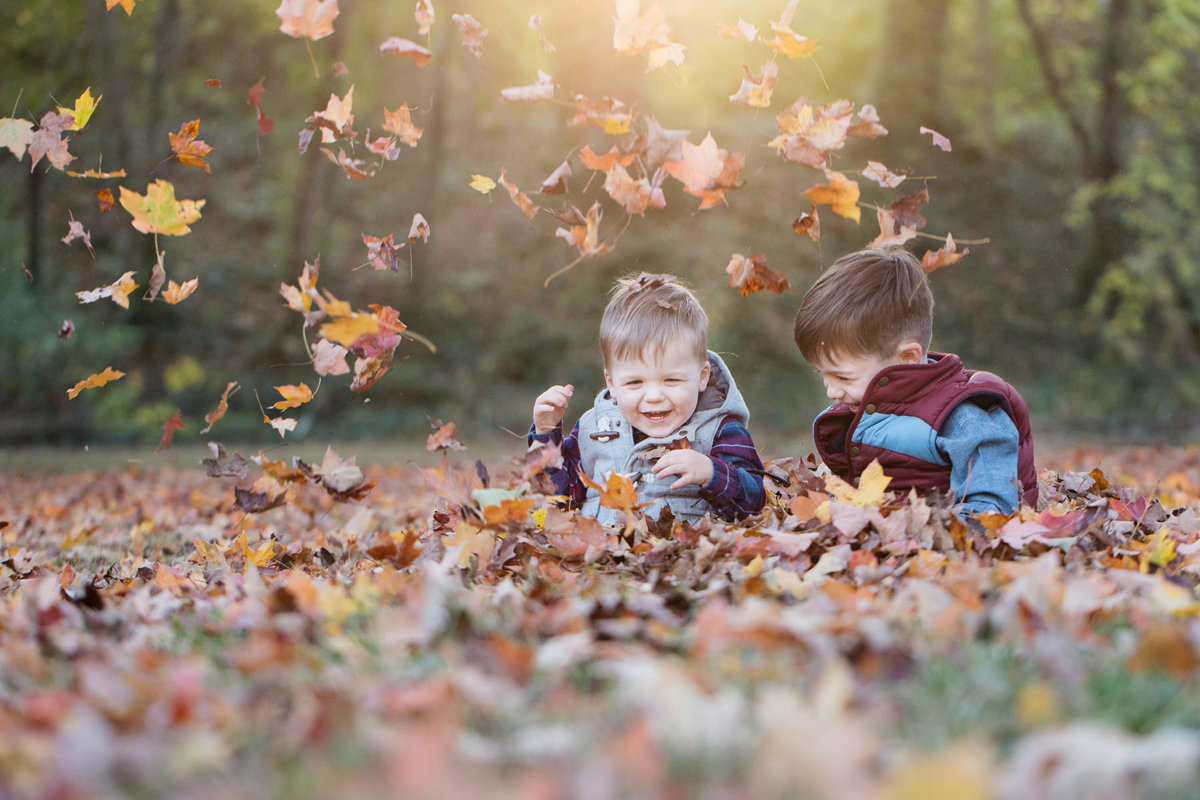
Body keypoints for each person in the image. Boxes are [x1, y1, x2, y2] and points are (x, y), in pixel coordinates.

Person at [792, 246, 1037, 515]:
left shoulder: (961, 418)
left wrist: (918, 536)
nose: (831, 391)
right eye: (822, 374)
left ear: (908, 357)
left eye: (843, 376)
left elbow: (992, 512)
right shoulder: (861, 413)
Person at [529, 272, 766, 526]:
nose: (653, 397)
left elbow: (754, 501)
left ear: (702, 377)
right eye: (635, 382)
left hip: (682, 560)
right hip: (602, 559)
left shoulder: (719, 430)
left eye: (671, 380)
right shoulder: (593, 429)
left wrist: (711, 473)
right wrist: (546, 434)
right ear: (612, 383)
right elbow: (559, 498)